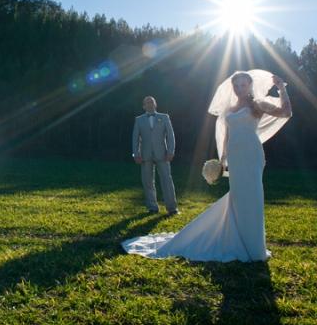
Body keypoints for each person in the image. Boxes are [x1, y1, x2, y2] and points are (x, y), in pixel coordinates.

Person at [122, 70, 291, 261]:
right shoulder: (230, 108)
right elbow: (227, 136)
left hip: (251, 154)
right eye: (236, 85)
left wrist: (281, 89)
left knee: (252, 195)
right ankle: (237, 238)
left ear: (250, 85)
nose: (239, 88)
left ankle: (253, 246)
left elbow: (286, 112)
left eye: (243, 85)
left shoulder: (257, 104)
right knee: (238, 196)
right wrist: (223, 160)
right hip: (235, 156)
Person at [131, 96, 179, 215]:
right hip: (145, 155)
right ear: (143, 106)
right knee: (147, 181)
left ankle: (172, 208)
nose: (149, 104)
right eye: (147, 102)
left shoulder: (164, 117)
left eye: (151, 102)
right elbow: (135, 138)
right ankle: (152, 207)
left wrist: (171, 151)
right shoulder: (139, 120)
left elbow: (170, 136)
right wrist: (136, 154)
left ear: (155, 104)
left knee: (167, 180)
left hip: (163, 154)